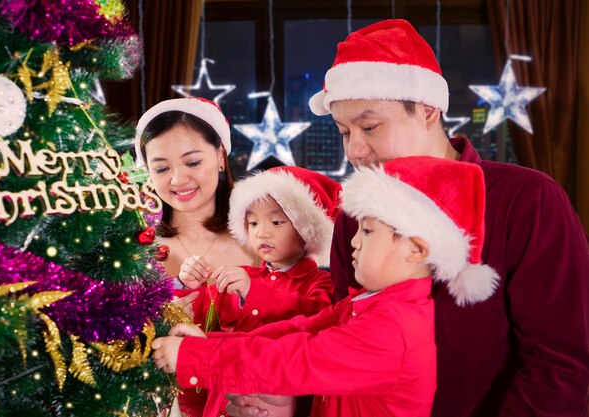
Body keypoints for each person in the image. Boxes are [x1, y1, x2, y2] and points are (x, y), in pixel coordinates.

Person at [226, 19, 589, 417]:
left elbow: (561, 365)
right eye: (345, 132)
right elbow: (344, 341)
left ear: (428, 109)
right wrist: (294, 398)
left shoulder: (527, 201)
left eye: (370, 126)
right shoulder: (356, 215)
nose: (356, 151)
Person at [150, 156, 499, 417]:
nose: (354, 244)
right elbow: (296, 332)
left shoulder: (393, 327)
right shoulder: (369, 304)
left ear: (417, 249)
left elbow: (297, 359)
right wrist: (209, 342)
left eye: (368, 231)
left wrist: (198, 357)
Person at [180, 166, 340, 416]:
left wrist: (253, 292)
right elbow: (199, 318)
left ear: (306, 229)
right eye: (252, 222)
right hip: (226, 398)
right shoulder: (243, 274)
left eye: (276, 222)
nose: (262, 232)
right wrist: (188, 284)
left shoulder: (322, 283)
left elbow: (312, 319)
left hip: (277, 402)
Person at [134, 97, 260, 283]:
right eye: (161, 169)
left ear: (220, 157)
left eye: (192, 163)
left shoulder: (260, 239)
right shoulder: (135, 250)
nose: (178, 180)